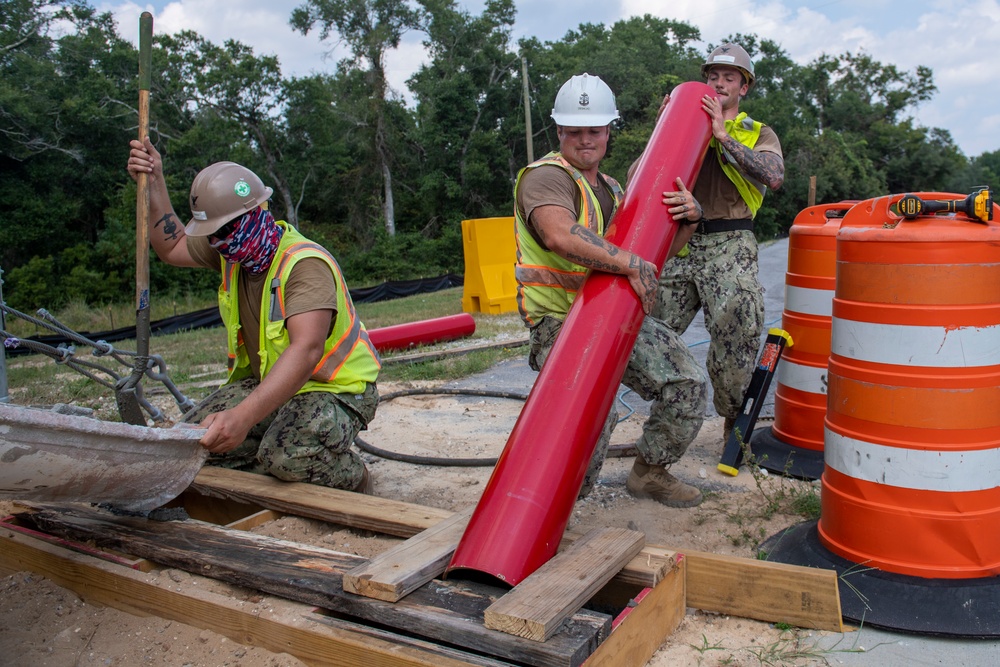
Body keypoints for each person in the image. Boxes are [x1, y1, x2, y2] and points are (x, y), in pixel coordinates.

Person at [126, 139, 381, 493]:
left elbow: (306, 350)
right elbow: (171, 246)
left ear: (258, 212)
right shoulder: (229, 248)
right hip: (273, 384)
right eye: (213, 235)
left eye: (226, 231)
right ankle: (270, 452)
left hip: (336, 389)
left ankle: (355, 477)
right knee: (193, 441)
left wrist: (243, 418)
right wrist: (155, 182)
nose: (220, 242)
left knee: (287, 457)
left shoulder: (304, 265)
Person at [514, 73, 707, 508]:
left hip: (613, 312)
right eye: (575, 131)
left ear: (608, 131)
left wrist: (690, 220)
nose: (586, 140)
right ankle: (556, 508)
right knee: (590, 415)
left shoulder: (613, 189)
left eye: (595, 130)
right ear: (559, 131)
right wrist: (626, 262)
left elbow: (652, 256)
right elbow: (559, 235)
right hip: (560, 324)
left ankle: (649, 473)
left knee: (688, 383)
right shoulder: (545, 178)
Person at [653, 43, 784, 447]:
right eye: (713, 76)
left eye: (729, 77)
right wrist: (664, 130)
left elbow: (773, 176)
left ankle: (732, 421)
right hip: (682, 240)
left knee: (736, 331)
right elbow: (642, 176)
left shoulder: (756, 131)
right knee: (648, 329)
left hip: (731, 238)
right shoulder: (683, 123)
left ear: (744, 87)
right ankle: (664, 424)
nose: (719, 83)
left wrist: (722, 135)